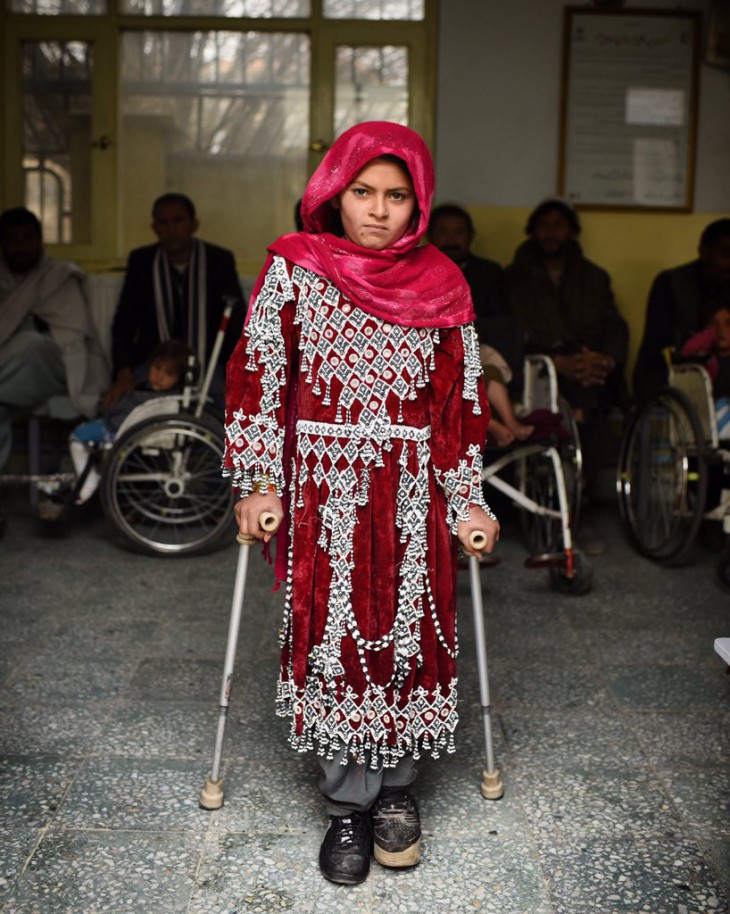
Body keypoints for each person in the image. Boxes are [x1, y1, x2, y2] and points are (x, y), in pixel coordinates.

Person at [223, 121, 500, 886]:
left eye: (397, 196)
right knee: (333, 642)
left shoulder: (444, 284)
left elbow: (458, 408)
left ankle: (398, 796)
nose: (378, 210)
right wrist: (258, 483)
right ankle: (347, 804)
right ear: (333, 193)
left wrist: (467, 502)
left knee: (409, 638)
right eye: (363, 192)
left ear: (419, 204)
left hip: (409, 491)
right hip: (322, 489)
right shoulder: (294, 269)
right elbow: (257, 379)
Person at [505, 197, 629, 552]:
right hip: (537, 370)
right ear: (532, 231)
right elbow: (510, 333)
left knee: (589, 400)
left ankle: (579, 501)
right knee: (569, 398)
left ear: (573, 232)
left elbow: (615, 327)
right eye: (544, 224)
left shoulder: (593, 276)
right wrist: (553, 361)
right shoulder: (513, 277)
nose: (551, 232)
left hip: (587, 369)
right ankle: (564, 501)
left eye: (559, 225)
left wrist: (604, 360)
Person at [0, 206, 108, 486]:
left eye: (27, 239)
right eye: (12, 240)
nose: (20, 246)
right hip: (11, 376)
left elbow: (75, 339)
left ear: (39, 242)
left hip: (54, 367)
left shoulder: (59, 275)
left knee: (30, 344)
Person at [105, 193, 245, 407]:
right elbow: (124, 323)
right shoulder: (142, 262)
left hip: (206, 361)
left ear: (194, 224)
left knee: (226, 407)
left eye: (178, 221)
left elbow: (236, 323)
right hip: (156, 363)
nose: (171, 229)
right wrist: (124, 373)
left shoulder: (218, 260)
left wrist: (234, 373)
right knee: (125, 406)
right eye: (163, 222)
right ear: (154, 228)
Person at [68, 339, 193, 504]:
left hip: (118, 429)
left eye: (168, 373)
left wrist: (106, 411)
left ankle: (89, 484)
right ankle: (87, 478)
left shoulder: (150, 398)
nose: (159, 376)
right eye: (157, 368)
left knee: (77, 437)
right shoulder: (147, 390)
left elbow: (121, 415)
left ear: (178, 379)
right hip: (124, 426)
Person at [633, 218, 730, 400]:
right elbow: (657, 349)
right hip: (676, 381)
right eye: (726, 254)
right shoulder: (671, 283)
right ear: (704, 252)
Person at [680, 298, 730, 439]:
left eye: (728, 324)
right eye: (715, 324)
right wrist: (709, 335)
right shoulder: (704, 360)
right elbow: (686, 350)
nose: (721, 330)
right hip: (710, 425)